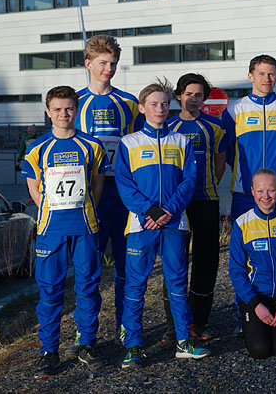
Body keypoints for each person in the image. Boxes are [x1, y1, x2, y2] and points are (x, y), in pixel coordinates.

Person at [114, 79, 207, 368]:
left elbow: (189, 181)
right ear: (142, 108)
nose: (160, 109)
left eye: (164, 104)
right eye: (153, 104)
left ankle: (183, 340)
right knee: (136, 285)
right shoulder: (129, 143)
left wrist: (168, 209)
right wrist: (149, 211)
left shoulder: (181, 141)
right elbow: (124, 183)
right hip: (142, 224)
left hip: (174, 221)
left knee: (177, 282)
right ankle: (133, 345)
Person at [23, 86, 107, 378]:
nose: (64, 114)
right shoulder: (37, 148)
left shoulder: (92, 145)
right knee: (49, 291)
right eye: (57, 109)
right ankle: (49, 351)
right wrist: (53, 211)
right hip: (51, 230)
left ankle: (87, 343)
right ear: (48, 112)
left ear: (76, 109)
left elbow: (98, 184)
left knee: (88, 288)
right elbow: (34, 189)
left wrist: (84, 210)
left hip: (85, 227)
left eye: (69, 108)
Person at [75, 34, 139, 342]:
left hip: (123, 194)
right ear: (88, 64)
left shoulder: (128, 103)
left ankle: (125, 327)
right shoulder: (75, 102)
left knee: (127, 266)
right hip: (90, 196)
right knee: (89, 268)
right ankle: (85, 333)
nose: (108, 69)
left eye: (113, 64)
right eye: (102, 63)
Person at [160, 73, 228, 342]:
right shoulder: (168, 126)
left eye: (199, 95)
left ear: (205, 98)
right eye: (188, 94)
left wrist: (207, 186)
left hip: (205, 200)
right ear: (178, 96)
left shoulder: (215, 127)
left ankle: (199, 322)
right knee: (175, 262)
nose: (193, 99)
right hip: (176, 204)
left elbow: (220, 164)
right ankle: (173, 324)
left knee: (206, 261)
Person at [229, 168, 276, 359]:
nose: (266, 196)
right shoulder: (241, 224)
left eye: (271, 190)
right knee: (260, 350)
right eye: (260, 191)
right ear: (252, 191)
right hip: (256, 298)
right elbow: (236, 271)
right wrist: (255, 304)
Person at [222, 54, 276, 220]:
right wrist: (242, 169)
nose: (267, 79)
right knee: (244, 235)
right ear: (250, 76)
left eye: (271, 74)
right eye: (261, 74)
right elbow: (228, 151)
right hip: (245, 190)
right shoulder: (234, 110)